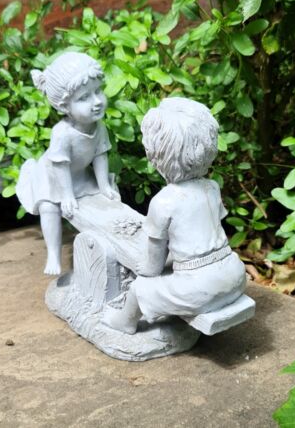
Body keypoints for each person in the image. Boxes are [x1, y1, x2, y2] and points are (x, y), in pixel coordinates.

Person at [103, 97, 246, 334]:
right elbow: (202, 235)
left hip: (201, 290)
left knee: (139, 289)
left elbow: (154, 265)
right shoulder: (212, 187)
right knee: (189, 274)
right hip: (235, 275)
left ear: (156, 156)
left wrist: (145, 270)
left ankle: (124, 323)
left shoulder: (164, 201)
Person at [16, 52, 119, 275]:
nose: (97, 101)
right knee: (49, 208)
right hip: (54, 178)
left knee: (110, 193)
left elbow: (100, 155)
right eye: (84, 98)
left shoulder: (99, 126)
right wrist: (67, 195)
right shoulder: (62, 133)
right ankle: (53, 254)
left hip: (80, 175)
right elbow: (60, 166)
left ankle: (112, 244)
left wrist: (103, 186)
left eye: (98, 91)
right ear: (64, 107)